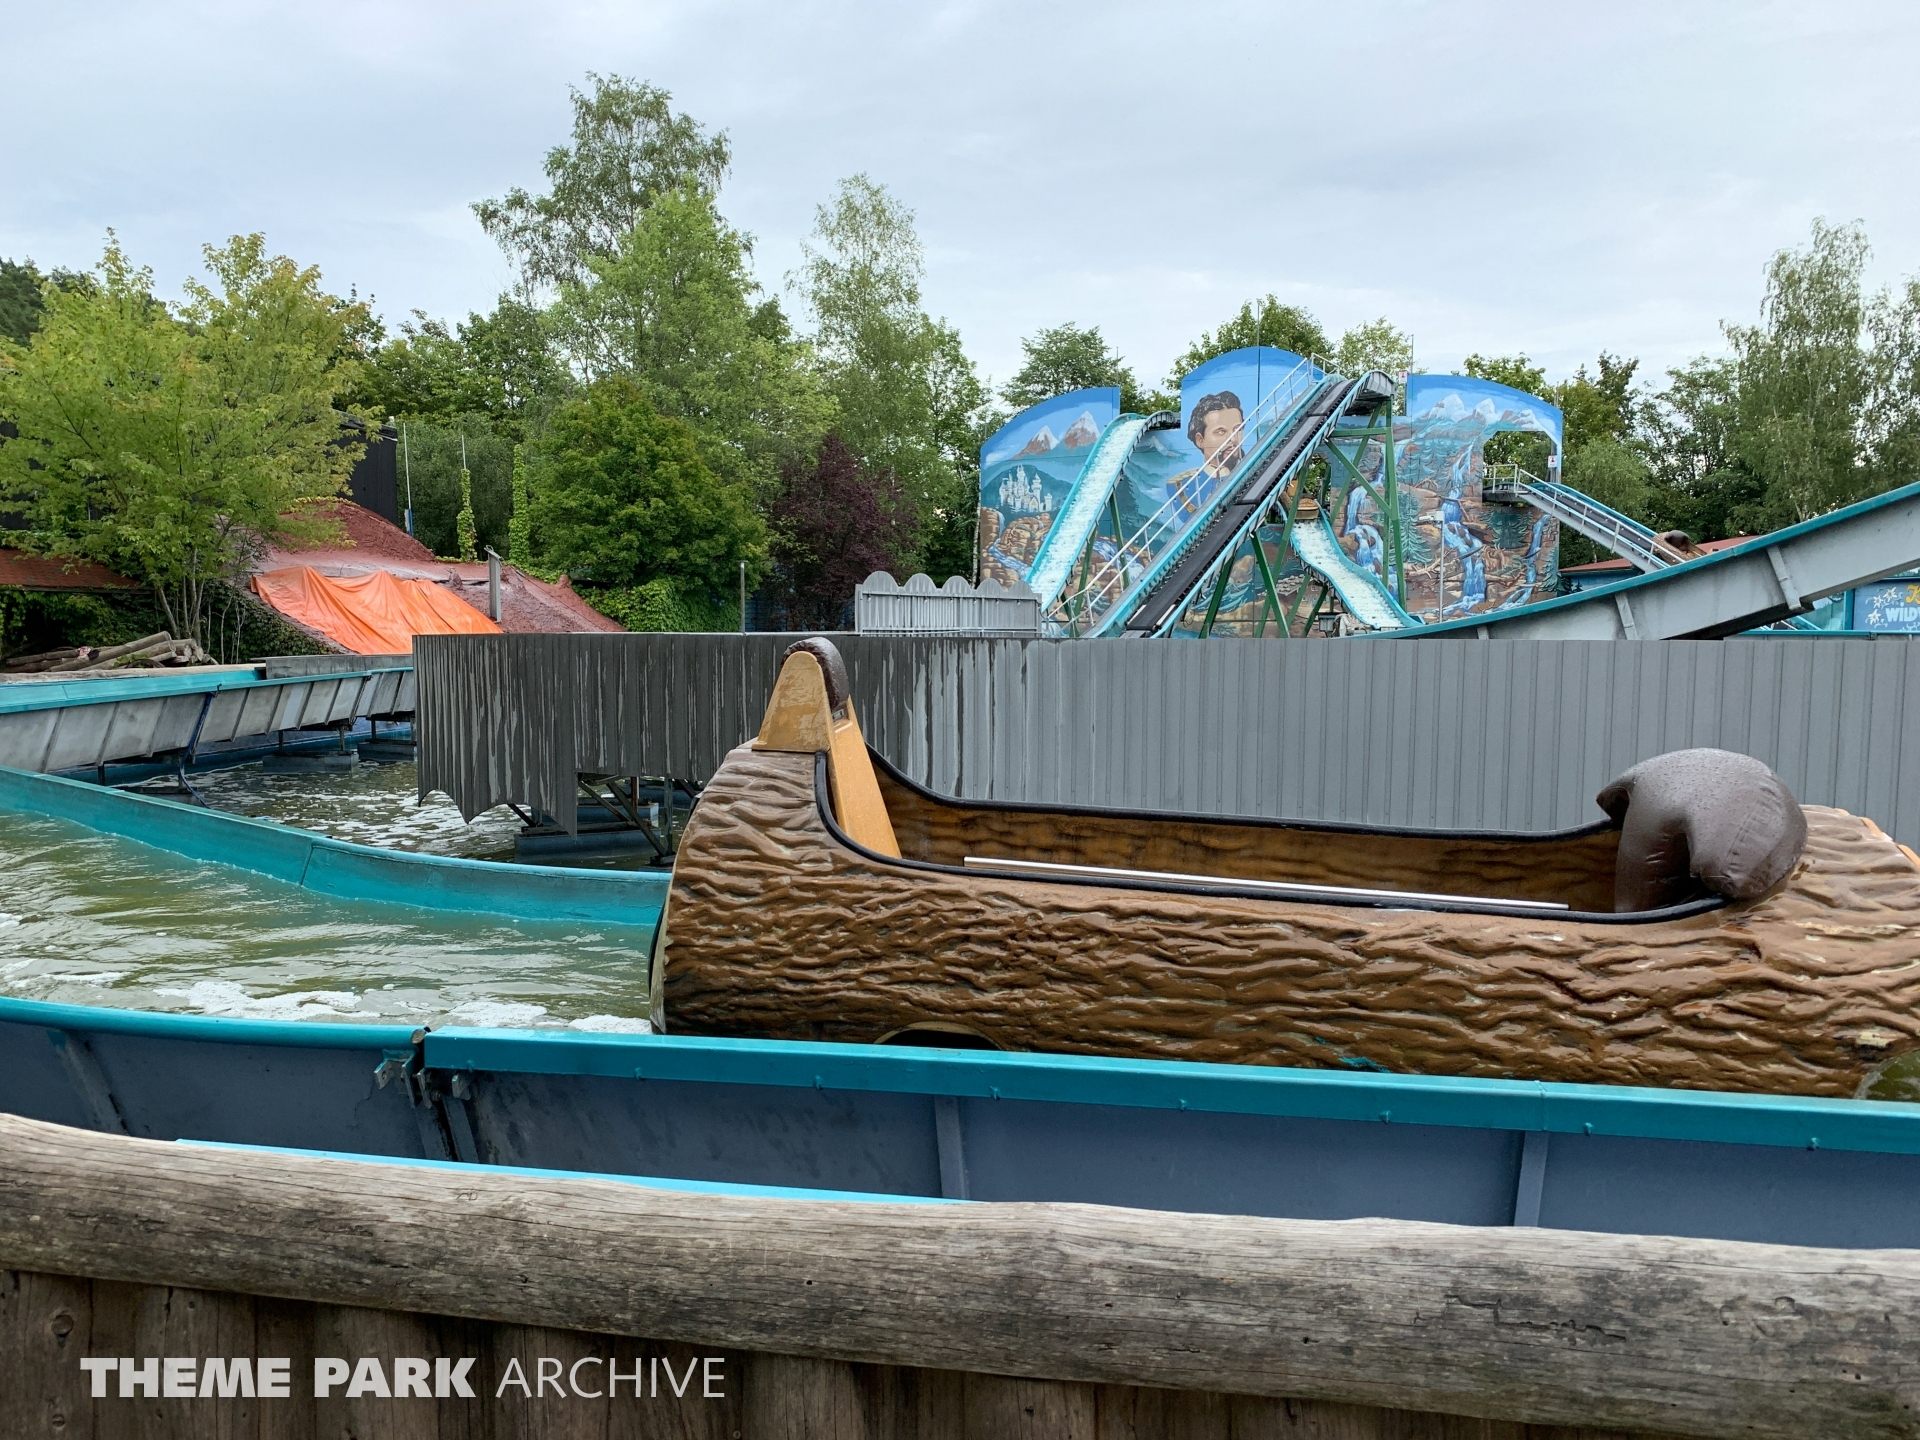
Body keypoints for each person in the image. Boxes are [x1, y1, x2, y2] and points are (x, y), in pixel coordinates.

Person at [1167, 391, 1245, 515]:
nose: (1234, 439)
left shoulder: (1254, 473)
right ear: (1200, 440)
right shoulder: (1180, 485)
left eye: (1238, 429)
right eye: (1221, 431)